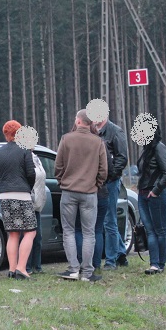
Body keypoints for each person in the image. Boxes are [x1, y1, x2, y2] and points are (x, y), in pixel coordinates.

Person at [54, 109, 108, 282]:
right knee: (89, 233)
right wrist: (96, 184)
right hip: (89, 193)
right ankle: (87, 272)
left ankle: (73, 269)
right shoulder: (97, 142)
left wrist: (62, 181)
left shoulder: (66, 139)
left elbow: (58, 165)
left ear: (78, 121)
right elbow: (103, 170)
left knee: (69, 231)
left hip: (69, 191)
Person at [0, 120, 37, 280]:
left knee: (12, 233)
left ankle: (11, 270)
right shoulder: (24, 150)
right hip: (22, 193)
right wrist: (28, 187)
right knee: (30, 231)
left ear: (5, 134)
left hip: (4, 194)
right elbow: (31, 173)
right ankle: (21, 268)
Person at [136, 125, 166, 274]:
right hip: (143, 194)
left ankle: (160, 265)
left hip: (155, 195)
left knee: (160, 230)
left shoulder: (159, 147)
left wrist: (156, 190)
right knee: (150, 231)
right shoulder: (147, 149)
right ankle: (154, 264)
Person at [94, 117, 129, 270]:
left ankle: (111, 260)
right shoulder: (93, 131)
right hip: (98, 181)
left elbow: (122, 157)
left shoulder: (115, 131)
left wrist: (112, 175)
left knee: (109, 220)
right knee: (105, 219)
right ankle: (120, 253)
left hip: (110, 181)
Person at [26, 151, 47, 274]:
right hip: (28, 200)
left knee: (38, 236)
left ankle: (37, 266)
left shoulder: (35, 156)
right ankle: (27, 266)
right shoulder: (23, 156)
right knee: (28, 235)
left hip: (37, 202)